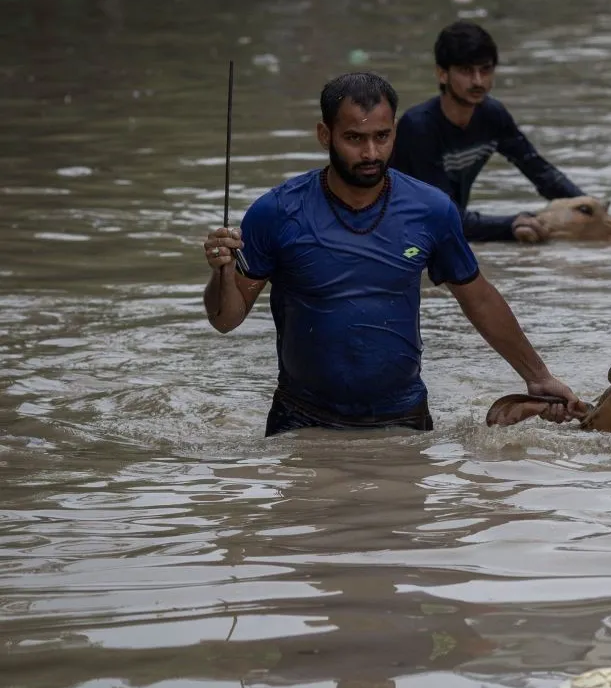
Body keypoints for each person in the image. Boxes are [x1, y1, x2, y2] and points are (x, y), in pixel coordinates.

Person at [202, 71, 587, 437]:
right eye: (354, 138)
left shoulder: (431, 209)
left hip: (402, 417)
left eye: (382, 137)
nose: (371, 152)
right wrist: (220, 271)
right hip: (302, 420)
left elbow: (479, 298)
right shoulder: (277, 212)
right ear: (325, 135)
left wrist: (537, 376)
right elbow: (226, 319)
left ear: (395, 133)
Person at [389, 20, 592, 244]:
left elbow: (542, 174)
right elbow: (442, 217)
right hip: (400, 238)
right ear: (442, 74)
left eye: (485, 70)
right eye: (466, 71)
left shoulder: (492, 115)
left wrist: (593, 210)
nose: (478, 81)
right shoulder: (419, 128)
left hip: (447, 229)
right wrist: (513, 224)